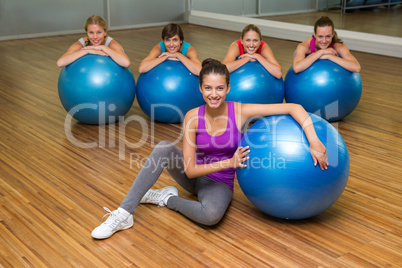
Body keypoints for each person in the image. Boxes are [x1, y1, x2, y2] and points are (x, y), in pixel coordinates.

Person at [91, 59, 328, 240]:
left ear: (228, 88)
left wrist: (315, 142)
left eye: (219, 88)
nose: (214, 94)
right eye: (208, 88)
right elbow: (191, 170)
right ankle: (123, 214)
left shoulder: (241, 111)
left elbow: (294, 108)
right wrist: (230, 162)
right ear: (200, 88)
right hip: (195, 176)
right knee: (163, 148)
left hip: (220, 183)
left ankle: (166, 199)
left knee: (210, 216)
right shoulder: (192, 117)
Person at [293, 16, 361, 73]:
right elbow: (297, 68)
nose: (324, 41)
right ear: (314, 34)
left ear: (333, 34)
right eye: (320, 36)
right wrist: (321, 52)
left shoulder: (338, 46)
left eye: (328, 36)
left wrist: (329, 56)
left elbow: (356, 67)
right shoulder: (305, 46)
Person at [57, 15, 130, 68]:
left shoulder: (111, 44)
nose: (95, 37)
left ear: (105, 32)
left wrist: (103, 47)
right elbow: (60, 63)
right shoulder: (81, 43)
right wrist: (87, 51)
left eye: (99, 32)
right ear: (87, 33)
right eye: (91, 32)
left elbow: (126, 63)